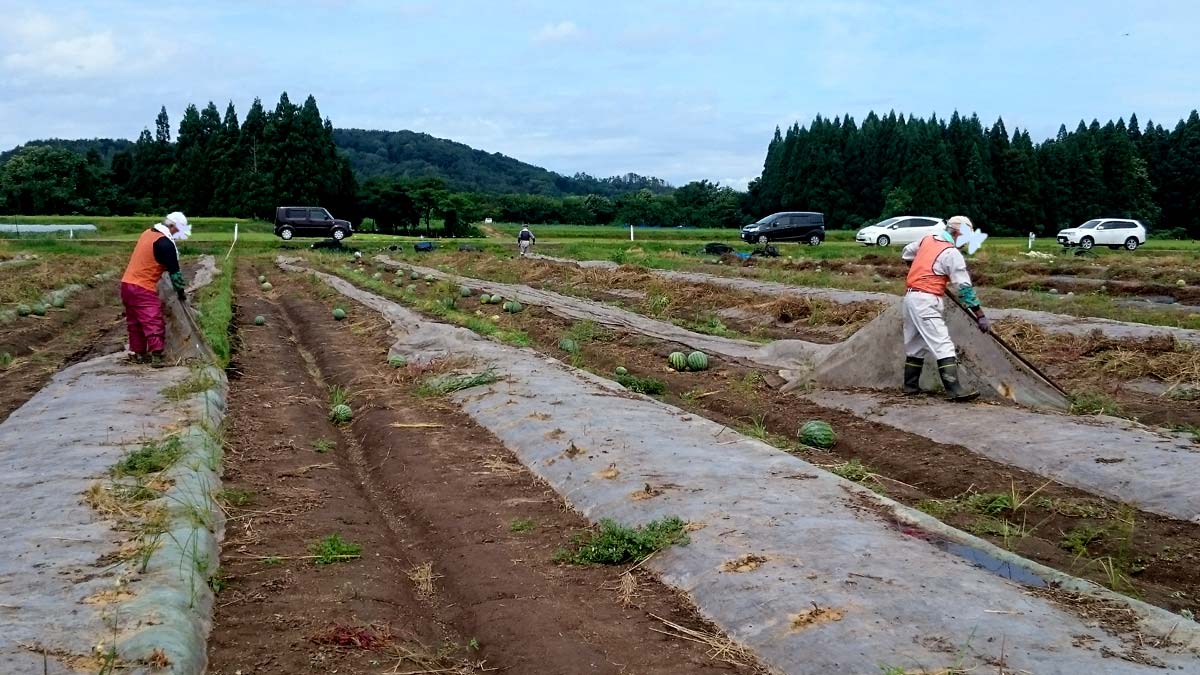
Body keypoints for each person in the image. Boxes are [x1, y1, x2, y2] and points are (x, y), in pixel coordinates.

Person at [900, 215, 990, 401]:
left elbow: (907, 253)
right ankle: (954, 389)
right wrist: (979, 314)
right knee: (943, 344)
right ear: (957, 233)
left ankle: (910, 386)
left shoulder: (928, 239)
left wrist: (919, 269)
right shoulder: (951, 253)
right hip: (926, 300)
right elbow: (964, 288)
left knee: (915, 344)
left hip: (910, 297)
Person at [120, 212, 191, 367]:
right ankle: (157, 355)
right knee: (152, 319)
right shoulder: (165, 244)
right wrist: (181, 292)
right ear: (172, 226)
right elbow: (175, 273)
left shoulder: (148, 233)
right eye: (178, 230)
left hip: (126, 284)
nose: (178, 234)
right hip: (142, 287)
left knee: (135, 322)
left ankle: (137, 352)